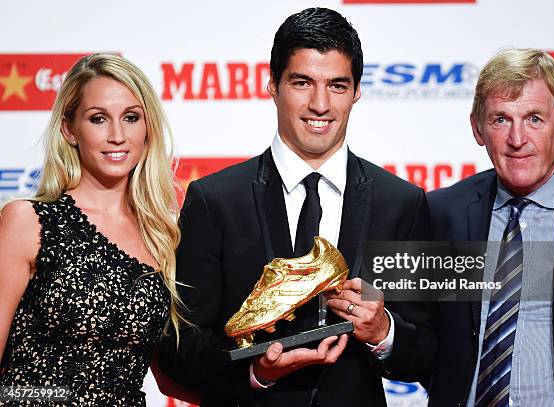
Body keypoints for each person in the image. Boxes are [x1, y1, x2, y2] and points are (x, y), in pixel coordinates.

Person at [158, 7, 435, 407]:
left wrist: (384, 331)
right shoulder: (215, 200)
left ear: (357, 92)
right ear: (273, 85)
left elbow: (427, 350)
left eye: (337, 86)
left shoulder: (401, 203)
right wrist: (255, 372)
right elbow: (179, 347)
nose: (320, 104)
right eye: (302, 82)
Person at [427, 48, 554, 406]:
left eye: (534, 119)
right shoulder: (440, 214)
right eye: (500, 119)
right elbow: (421, 344)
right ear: (477, 128)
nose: (516, 139)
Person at [0, 54, 184, 406]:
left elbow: (169, 375)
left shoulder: (163, 237)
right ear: (69, 129)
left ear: (148, 129)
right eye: (98, 119)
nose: (117, 135)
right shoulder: (28, 221)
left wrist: (259, 380)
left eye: (131, 118)